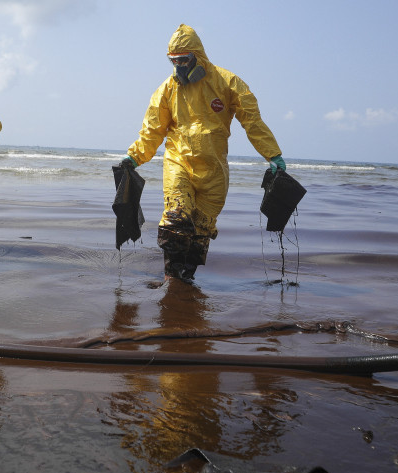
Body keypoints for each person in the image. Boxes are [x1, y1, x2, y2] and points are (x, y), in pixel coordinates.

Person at [121, 24, 285, 281]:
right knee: (176, 219)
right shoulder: (168, 89)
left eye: (184, 60)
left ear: (197, 55)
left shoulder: (228, 83)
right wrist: (135, 156)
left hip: (214, 170)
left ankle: (187, 280)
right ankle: (171, 277)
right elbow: (153, 129)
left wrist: (272, 155)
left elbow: (252, 121)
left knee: (201, 231)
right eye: (173, 61)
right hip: (179, 162)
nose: (179, 67)